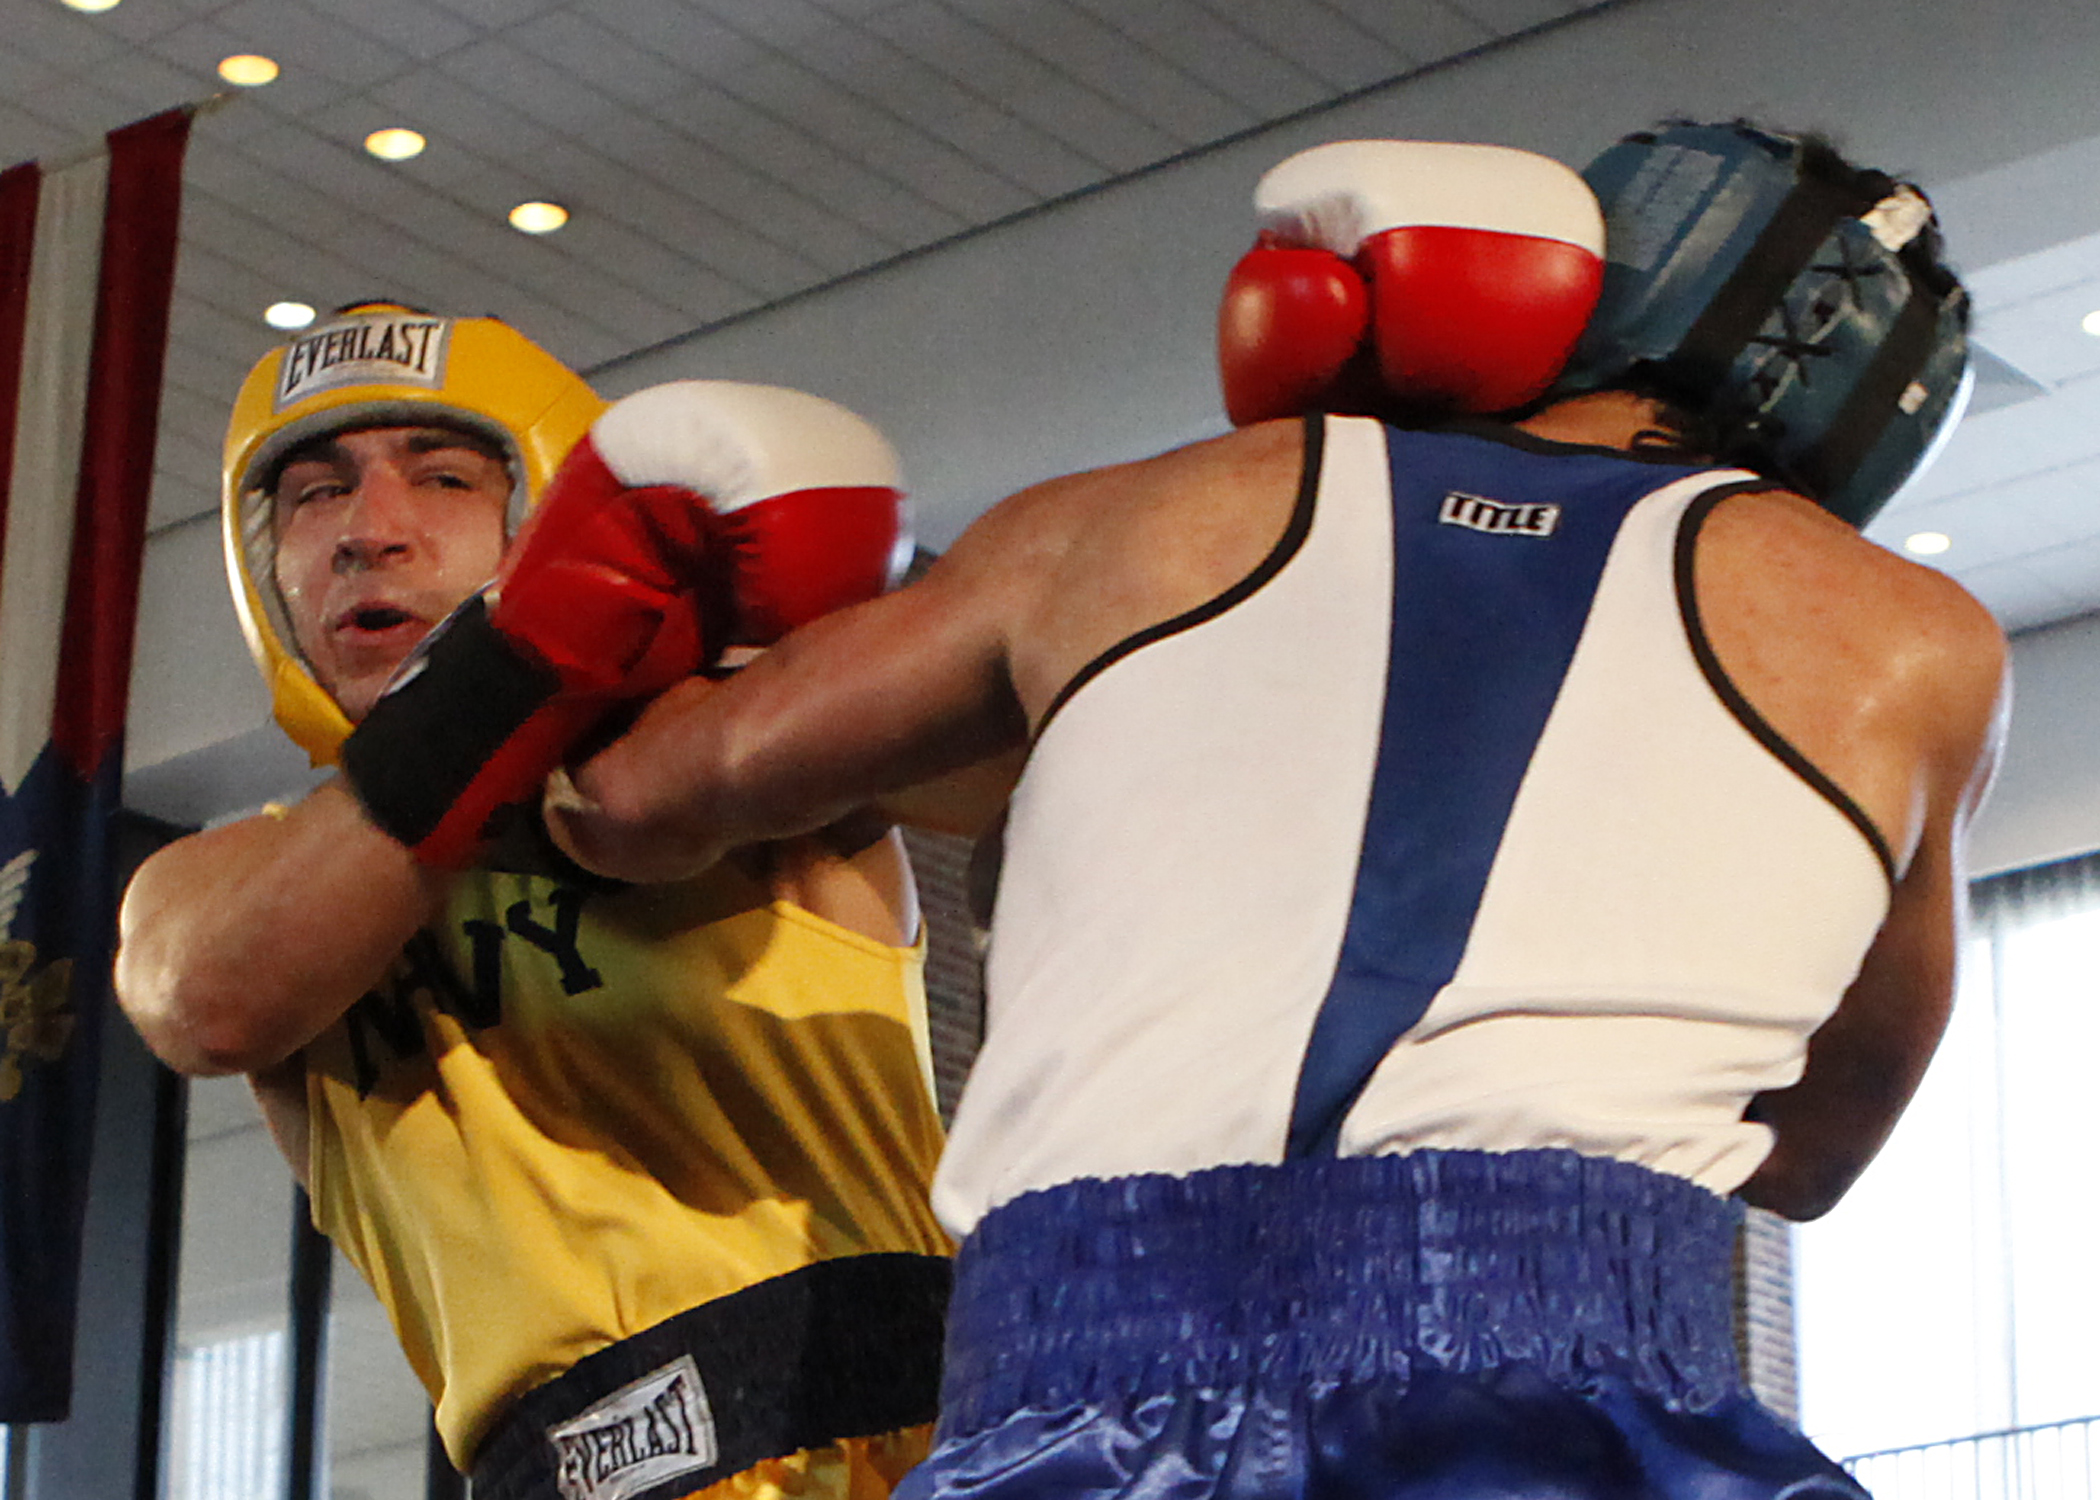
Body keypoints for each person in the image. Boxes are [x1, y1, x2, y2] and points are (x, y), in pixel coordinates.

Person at [538, 123, 2008, 1500]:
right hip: (1594, 1393)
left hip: (1076, 1381)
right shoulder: (1909, 645)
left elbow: (635, 798)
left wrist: (536, 648)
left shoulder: (1136, 516)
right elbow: (1816, 1150)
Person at [114, 303, 954, 1500]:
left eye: (444, 476)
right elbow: (210, 1000)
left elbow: (1006, 740)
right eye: (313, 494)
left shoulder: (720, 742)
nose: (368, 532)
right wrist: (511, 670)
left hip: (915, 1443)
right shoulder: (225, 877)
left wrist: (839, 611)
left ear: (548, 505)